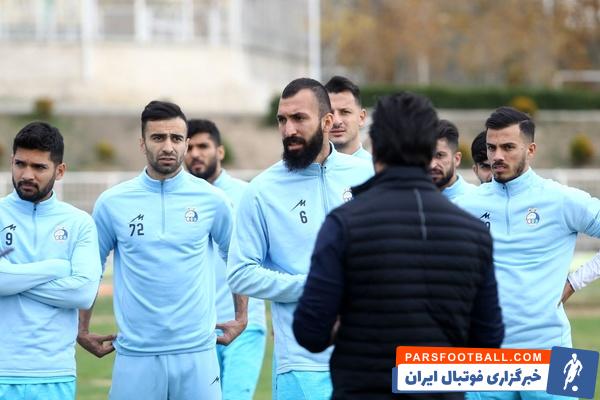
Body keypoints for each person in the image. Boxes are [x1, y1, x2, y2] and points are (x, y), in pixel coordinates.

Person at [293, 92, 503, 400]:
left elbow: (310, 331)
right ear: (430, 149)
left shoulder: (344, 224)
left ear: (375, 147)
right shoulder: (472, 232)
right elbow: (488, 340)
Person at [78, 101, 245, 400]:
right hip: (136, 354)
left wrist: (242, 317)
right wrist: (82, 328)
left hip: (197, 352)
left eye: (176, 138)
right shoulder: (113, 202)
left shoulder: (213, 199)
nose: (168, 146)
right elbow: (92, 266)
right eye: (158, 137)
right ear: (142, 143)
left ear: (186, 143)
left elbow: (236, 256)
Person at [226, 78, 373, 400]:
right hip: (302, 363)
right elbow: (239, 272)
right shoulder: (262, 190)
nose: (289, 129)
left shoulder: (368, 177)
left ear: (327, 121)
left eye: (299, 118)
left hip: (369, 358)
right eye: (282, 119)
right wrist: (310, 287)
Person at [455, 106, 600, 400]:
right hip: (484, 356)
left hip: (554, 351)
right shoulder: (467, 204)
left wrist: (574, 282)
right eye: (491, 148)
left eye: (508, 147)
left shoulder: (561, 198)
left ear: (530, 150)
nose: (497, 156)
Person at [0, 122, 101, 400]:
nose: (27, 174)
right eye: (20, 164)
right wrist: (56, 268)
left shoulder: (79, 222)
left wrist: (11, 278)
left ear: (60, 171)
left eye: (39, 167)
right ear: (11, 161)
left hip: (55, 373)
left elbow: (83, 292)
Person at [185, 118, 266, 400]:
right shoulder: (180, 200)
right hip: (196, 328)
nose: (195, 154)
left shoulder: (247, 194)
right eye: (189, 147)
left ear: (220, 151)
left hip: (245, 326)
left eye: (203, 146)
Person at [324, 75, 371, 160]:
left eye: (345, 112)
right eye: (329, 113)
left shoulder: (373, 167)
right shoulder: (306, 166)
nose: (336, 121)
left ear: (361, 118)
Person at [430, 119, 476, 199]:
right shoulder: (413, 198)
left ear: (457, 159)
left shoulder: (475, 199)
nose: (432, 165)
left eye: (440, 155)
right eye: (427, 156)